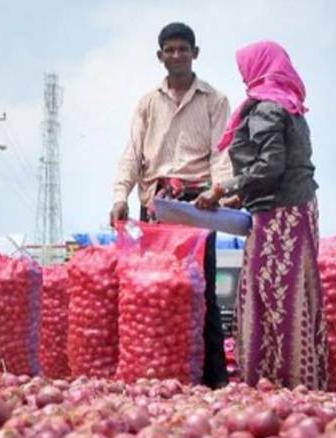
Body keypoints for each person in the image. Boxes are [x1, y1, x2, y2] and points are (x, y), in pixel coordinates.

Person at [194, 40, 326, 390]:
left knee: (272, 295)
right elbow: (279, 168)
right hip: (298, 209)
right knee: (295, 293)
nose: (242, 77)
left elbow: (270, 166)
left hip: (279, 216)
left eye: (245, 69)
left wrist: (222, 189)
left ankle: (274, 380)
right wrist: (242, 194)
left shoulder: (268, 107)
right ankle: (301, 377)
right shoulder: (292, 105)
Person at [111, 22, 233, 389]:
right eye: (170, 49)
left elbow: (221, 154)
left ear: (196, 53)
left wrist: (219, 190)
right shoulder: (148, 104)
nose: (177, 55)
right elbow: (132, 155)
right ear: (160, 56)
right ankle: (155, 379)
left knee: (202, 292)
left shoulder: (215, 100)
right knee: (154, 293)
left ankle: (213, 383)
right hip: (157, 206)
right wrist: (120, 196)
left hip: (197, 206)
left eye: (183, 49)